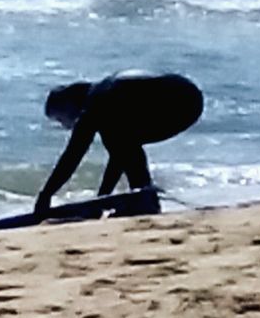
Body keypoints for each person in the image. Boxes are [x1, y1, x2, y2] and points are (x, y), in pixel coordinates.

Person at [34, 70, 204, 217]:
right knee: (123, 138)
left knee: (119, 137)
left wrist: (46, 194)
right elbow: (119, 156)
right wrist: (102, 198)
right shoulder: (103, 95)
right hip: (191, 98)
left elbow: (73, 155)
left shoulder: (96, 103)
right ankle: (143, 194)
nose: (65, 125)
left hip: (176, 99)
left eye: (60, 118)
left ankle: (145, 199)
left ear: (68, 104)